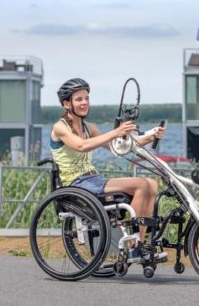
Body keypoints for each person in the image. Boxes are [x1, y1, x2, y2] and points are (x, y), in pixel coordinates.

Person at [50, 78, 166, 262]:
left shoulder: (88, 127)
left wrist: (151, 136)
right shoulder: (60, 127)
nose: (85, 103)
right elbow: (81, 146)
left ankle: (141, 243)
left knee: (151, 184)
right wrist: (115, 131)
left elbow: (117, 147)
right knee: (141, 185)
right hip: (76, 185)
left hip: (93, 179)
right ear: (66, 104)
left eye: (87, 98)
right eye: (79, 99)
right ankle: (134, 246)